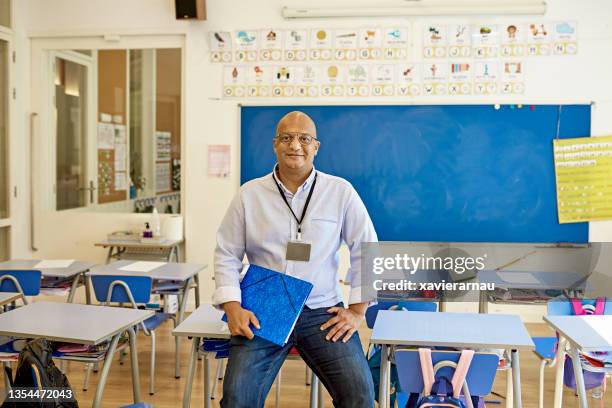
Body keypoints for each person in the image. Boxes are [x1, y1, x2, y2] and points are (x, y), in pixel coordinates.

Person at [214, 111, 377, 407]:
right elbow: (227, 252)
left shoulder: (340, 192)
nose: (295, 145)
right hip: (265, 310)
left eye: (304, 138)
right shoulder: (249, 195)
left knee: (360, 394)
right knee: (238, 398)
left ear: (316, 146)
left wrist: (356, 311)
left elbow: (366, 248)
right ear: (275, 145)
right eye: (287, 138)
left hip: (322, 310)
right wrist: (233, 306)